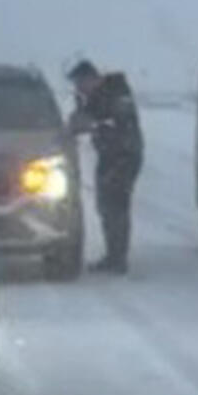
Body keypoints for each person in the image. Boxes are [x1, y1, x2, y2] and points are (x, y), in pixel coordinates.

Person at [67, 59, 144, 275]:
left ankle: (118, 258)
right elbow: (80, 123)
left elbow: (121, 126)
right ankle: (113, 254)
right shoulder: (96, 97)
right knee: (106, 205)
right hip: (109, 155)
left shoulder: (117, 94)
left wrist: (94, 125)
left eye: (80, 83)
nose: (79, 88)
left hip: (124, 156)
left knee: (116, 205)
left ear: (92, 79)